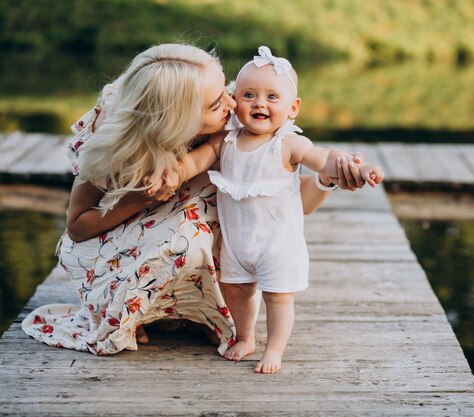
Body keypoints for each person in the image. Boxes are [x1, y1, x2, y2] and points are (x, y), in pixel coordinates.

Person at [21, 43, 367, 356]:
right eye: (219, 103)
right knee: (190, 231)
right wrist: (143, 198)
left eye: (228, 90)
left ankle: (194, 311)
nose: (234, 104)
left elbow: (283, 201)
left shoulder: (236, 116)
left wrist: (327, 179)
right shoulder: (111, 129)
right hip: (114, 238)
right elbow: (78, 227)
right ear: (176, 120)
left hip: (191, 222)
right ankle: (134, 306)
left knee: (217, 203)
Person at [169, 46, 384, 373]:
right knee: (237, 291)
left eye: (272, 97)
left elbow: (324, 158)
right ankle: (245, 336)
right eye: (249, 95)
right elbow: (195, 162)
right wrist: (171, 172)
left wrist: (355, 164)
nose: (259, 103)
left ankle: (275, 348)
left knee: (278, 298)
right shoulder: (224, 140)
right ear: (233, 100)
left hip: (278, 245)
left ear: (293, 107)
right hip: (237, 243)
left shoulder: (288, 142)